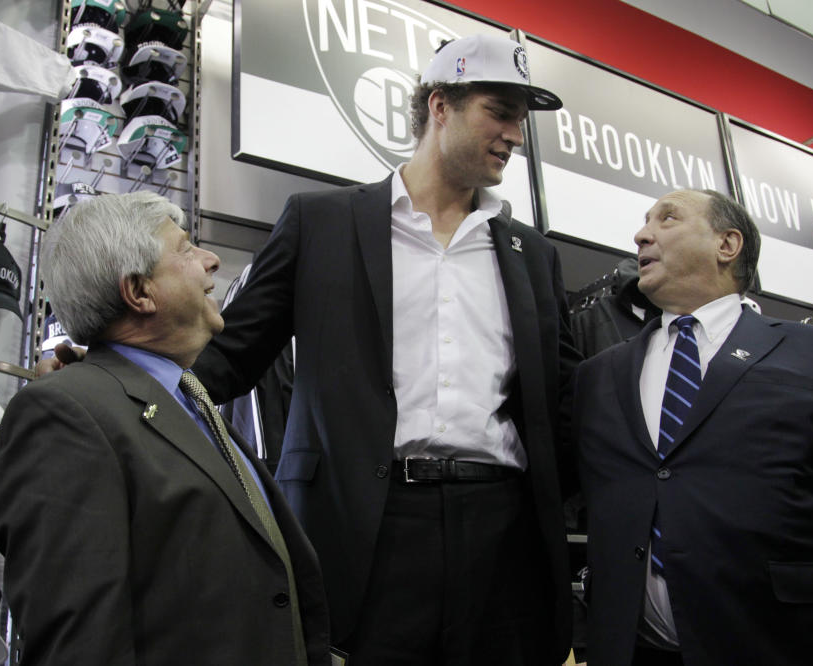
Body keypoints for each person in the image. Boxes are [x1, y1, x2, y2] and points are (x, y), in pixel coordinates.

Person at [191, 34, 581, 665]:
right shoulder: (320, 223)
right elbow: (228, 356)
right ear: (439, 105)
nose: (515, 133)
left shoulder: (533, 255)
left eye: (521, 119)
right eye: (500, 111)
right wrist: (118, 374)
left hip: (503, 535)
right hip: (362, 527)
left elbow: (563, 399)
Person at [0, 191, 330, 665]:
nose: (212, 261)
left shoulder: (190, 403)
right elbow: (80, 646)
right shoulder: (63, 414)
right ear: (139, 292)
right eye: (187, 249)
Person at [572, 188, 813, 665]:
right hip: (631, 650)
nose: (642, 235)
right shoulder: (598, 373)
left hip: (780, 645)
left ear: (727, 245)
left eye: (668, 219)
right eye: (644, 222)